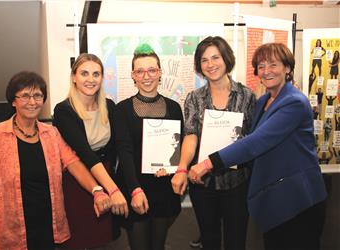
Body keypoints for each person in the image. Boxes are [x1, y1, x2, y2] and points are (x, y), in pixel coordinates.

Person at [189, 43, 327, 250]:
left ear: (287, 68)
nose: (266, 71)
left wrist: (209, 163)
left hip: (298, 198)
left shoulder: (294, 102)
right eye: (261, 66)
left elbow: (256, 141)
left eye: (273, 64)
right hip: (274, 199)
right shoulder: (263, 101)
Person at [0, 71, 113, 250]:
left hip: (48, 226)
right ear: (13, 101)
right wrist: (0, 194)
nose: (32, 102)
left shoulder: (51, 134)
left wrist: (97, 190)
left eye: (37, 95)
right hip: (10, 229)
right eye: (25, 96)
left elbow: (73, 162)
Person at [171, 36, 256, 250]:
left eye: (215, 57)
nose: (211, 64)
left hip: (237, 182)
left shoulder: (247, 96)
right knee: (209, 241)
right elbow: (190, 135)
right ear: (199, 66)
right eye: (204, 60)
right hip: (203, 182)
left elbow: (253, 139)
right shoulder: (194, 98)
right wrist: (182, 167)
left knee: (236, 241)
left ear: (226, 58)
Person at [53, 54, 128, 249]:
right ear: (74, 77)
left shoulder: (109, 106)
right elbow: (85, 154)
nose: (90, 79)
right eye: (84, 73)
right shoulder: (64, 110)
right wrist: (112, 190)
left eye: (96, 74)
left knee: (103, 239)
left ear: (102, 78)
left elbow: (118, 147)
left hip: (105, 173)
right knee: (80, 237)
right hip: (79, 179)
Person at [114, 44, 183, 250]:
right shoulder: (122, 110)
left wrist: (171, 168)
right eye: (140, 71)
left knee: (158, 246)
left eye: (152, 70)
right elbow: (124, 153)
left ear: (160, 73)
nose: (146, 76)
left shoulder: (174, 107)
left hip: (163, 189)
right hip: (135, 187)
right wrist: (135, 189)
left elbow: (177, 147)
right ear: (133, 75)